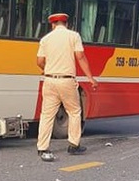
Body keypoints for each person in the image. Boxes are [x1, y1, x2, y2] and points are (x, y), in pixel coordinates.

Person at [35, 13, 98, 162]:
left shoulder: (45, 39)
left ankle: (42, 147)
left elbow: (39, 61)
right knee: (74, 111)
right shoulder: (73, 36)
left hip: (49, 80)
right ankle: (73, 145)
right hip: (66, 81)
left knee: (46, 115)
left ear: (53, 24)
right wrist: (90, 78)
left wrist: (48, 68)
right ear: (66, 23)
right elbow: (80, 57)